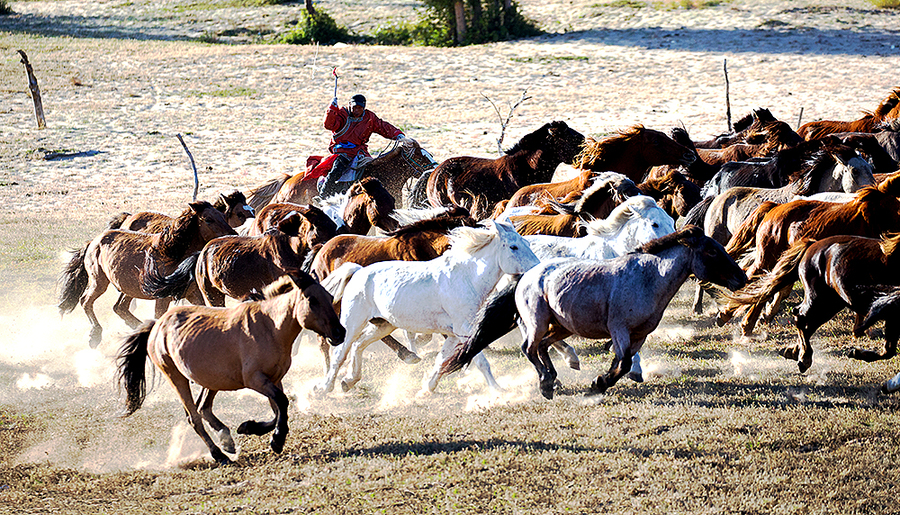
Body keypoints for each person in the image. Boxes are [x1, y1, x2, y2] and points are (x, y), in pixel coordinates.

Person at [318, 93, 408, 198]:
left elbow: (382, 126)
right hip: (342, 150)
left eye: (360, 108)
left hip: (360, 152)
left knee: (373, 168)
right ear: (350, 105)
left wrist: (397, 134)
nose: (357, 111)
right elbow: (329, 125)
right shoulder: (342, 114)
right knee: (338, 167)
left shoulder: (369, 118)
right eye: (354, 107)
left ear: (364, 108)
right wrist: (332, 109)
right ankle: (324, 194)